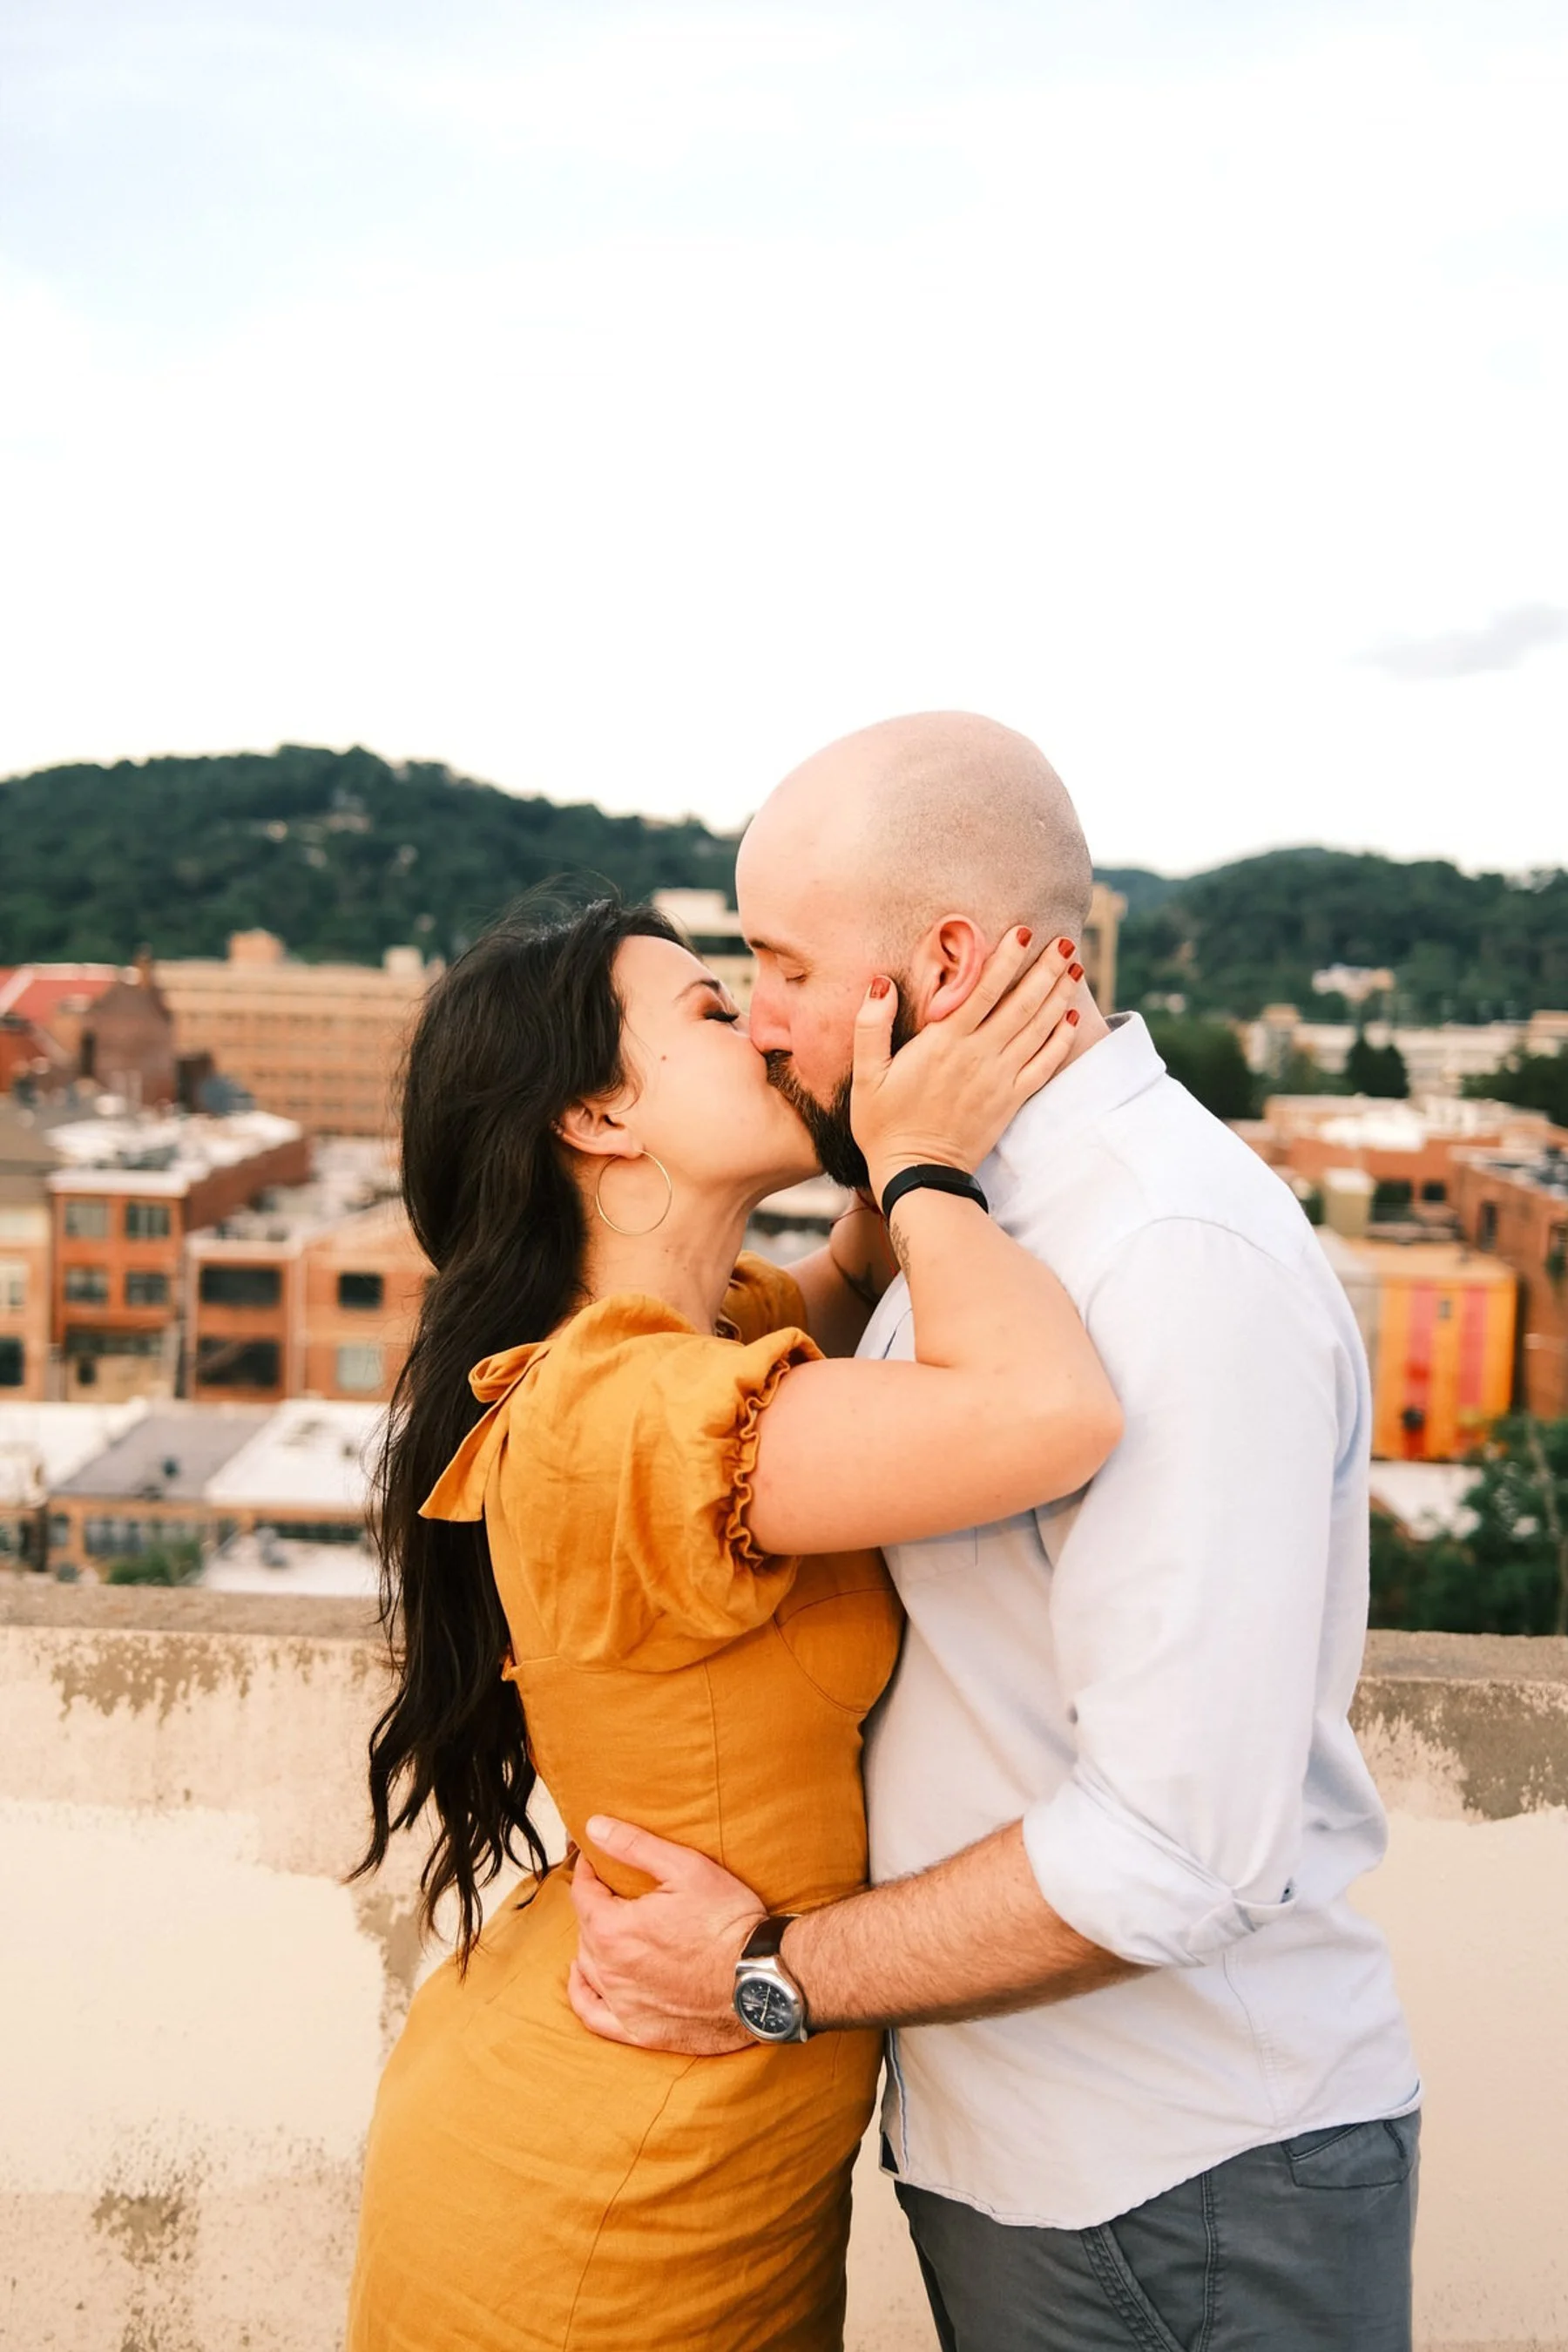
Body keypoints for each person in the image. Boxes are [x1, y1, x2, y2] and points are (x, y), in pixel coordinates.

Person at [570, 713, 1424, 2352]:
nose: (760, 1019)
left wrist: (768, 1968)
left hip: (1182, 2184)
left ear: (944, 960)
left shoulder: (1165, 1254)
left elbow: (1180, 1849)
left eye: (781, 961)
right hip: (1058, 2166)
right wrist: (908, 1180)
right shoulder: (968, 1213)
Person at [345, 894, 1119, 2350]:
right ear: (598, 1115)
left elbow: (843, 1283)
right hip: (611, 2191)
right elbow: (1044, 1411)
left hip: (693, 2117)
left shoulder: (691, 1343)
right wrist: (929, 1159)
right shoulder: (621, 1413)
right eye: (713, 1009)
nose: (765, 1022)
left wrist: (916, 1072)